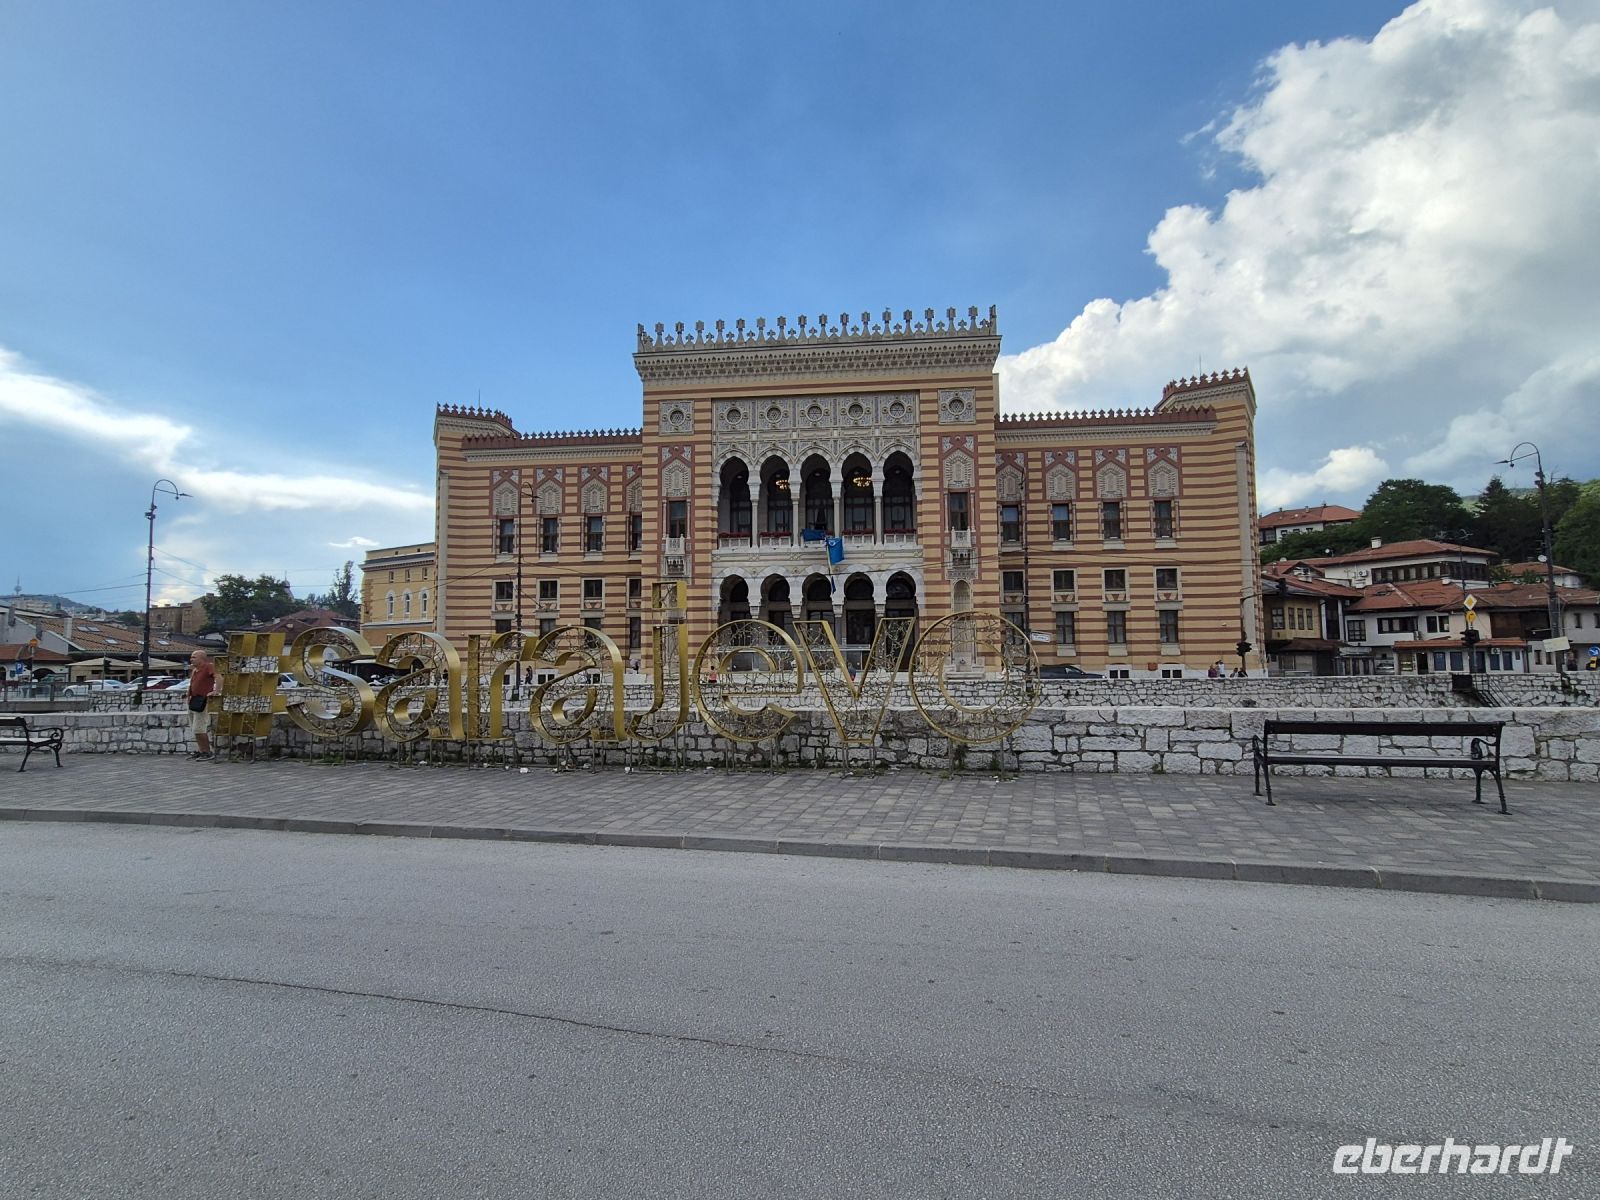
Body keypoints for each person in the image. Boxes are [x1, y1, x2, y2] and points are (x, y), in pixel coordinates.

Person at [187, 649, 219, 761]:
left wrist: (216, 691)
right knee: (194, 729)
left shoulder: (208, 666)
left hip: (202, 700)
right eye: (191, 657)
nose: (191, 659)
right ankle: (201, 751)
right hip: (193, 700)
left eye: (194, 657)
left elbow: (218, 677)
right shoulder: (195, 670)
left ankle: (207, 752)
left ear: (202, 658)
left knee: (199, 728)